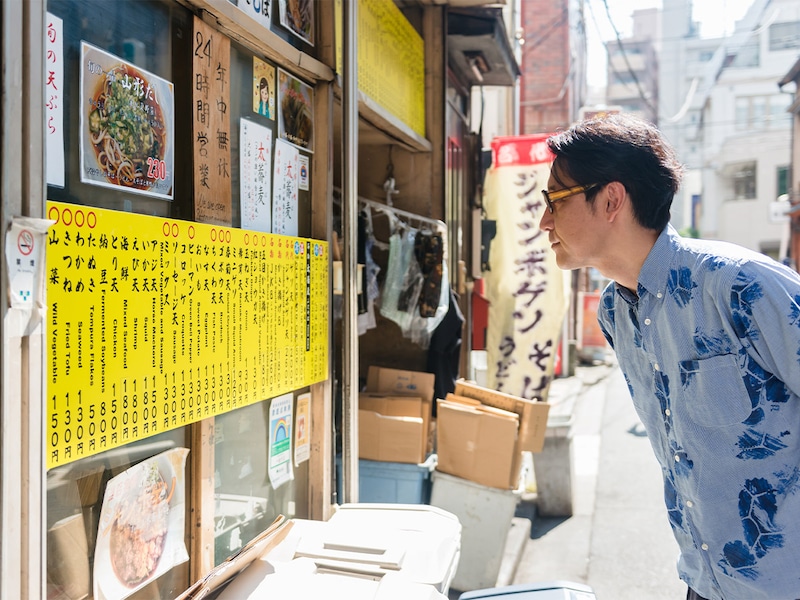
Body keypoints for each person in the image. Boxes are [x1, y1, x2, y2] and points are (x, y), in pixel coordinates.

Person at [540, 114, 800, 600]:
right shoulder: (615, 312)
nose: (544, 220)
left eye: (555, 198)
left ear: (611, 199)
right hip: (704, 583)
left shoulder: (739, 285)